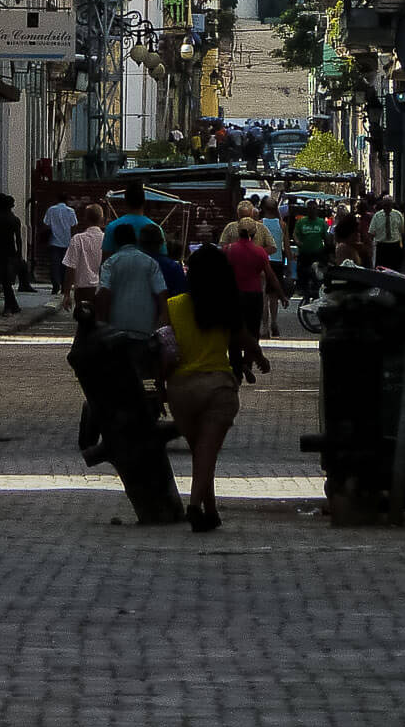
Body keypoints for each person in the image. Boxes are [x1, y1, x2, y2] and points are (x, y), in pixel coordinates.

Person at [163, 243, 244, 534]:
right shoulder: (228, 304)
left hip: (181, 390)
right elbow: (242, 340)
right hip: (217, 388)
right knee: (207, 451)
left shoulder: (173, 306)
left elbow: (165, 346)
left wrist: (158, 384)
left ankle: (210, 511)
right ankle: (195, 505)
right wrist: (257, 360)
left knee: (201, 451)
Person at [225, 222, 280, 380]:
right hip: (254, 295)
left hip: (234, 295)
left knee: (235, 331)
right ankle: (247, 363)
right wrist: (281, 294)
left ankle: (236, 368)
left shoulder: (228, 250)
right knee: (253, 331)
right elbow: (270, 275)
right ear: (254, 234)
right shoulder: (259, 252)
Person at [98, 222, 167, 337]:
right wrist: (161, 322)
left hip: (116, 329)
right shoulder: (150, 263)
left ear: (116, 242)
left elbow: (104, 292)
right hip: (145, 329)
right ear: (136, 240)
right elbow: (162, 293)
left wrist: (102, 323)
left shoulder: (110, 263)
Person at [61, 203, 106, 312]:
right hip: (102, 289)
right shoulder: (107, 239)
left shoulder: (78, 239)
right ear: (101, 218)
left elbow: (71, 267)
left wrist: (66, 293)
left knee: (83, 322)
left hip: (83, 289)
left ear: (86, 218)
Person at [0, 194, 24, 316]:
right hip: (10, 253)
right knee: (6, 281)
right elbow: (18, 239)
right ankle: (12, 306)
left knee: (0, 281)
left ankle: (8, 307)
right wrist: (19, 253)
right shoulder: (14, 220)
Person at [103, 176, 155, 253]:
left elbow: (106, 260)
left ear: (125, 202)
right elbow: (161, 258)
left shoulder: (112, 227)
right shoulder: (155, 229)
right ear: (144, 202)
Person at [138, 220, 186, 297]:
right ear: (161, 243)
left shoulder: (133, 265)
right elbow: (181, 294)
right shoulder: (173, 267)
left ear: (140, 243)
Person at [258, 199, 285, 334]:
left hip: (264, 260)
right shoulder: (282, 224)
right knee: (274, 296)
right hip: (278, 261)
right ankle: (274, 322)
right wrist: (290, 268)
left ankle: (265, 327)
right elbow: (286, 247)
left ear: (262, 207)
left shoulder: (260, 224)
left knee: (264, 296)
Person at [41, 194, 78, 293]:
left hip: (54, 241)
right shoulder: (71, 211)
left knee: (54, 265)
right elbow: (74, 225)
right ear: (67, 200)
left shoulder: (51, 210)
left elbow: (46, 224)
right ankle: (63, 285)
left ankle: (55, 285)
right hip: (67, 241)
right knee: (65, 265)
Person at [294, 202, 329, 300]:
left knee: (317, 275)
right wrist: (298, 242)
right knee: (303, 273)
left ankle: (317, 291)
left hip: (317, 253)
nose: (312, 211)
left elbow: (326, 237)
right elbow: (295, 234)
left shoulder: (321, 222)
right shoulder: (301, 222)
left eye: (314, 209)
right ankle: (303, 290)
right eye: (310, 209)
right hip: (304, 254)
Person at [370, 194, 405, 270]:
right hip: (382, 246)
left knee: (395, 269)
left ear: (392, 205)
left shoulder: (398, 215)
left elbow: (402, 231)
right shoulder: (377, 216)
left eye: (389, 205)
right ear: (382, 205)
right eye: (385, 205)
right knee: (381, 270)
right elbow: (371, 232)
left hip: (394, 246)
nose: (387, 207)